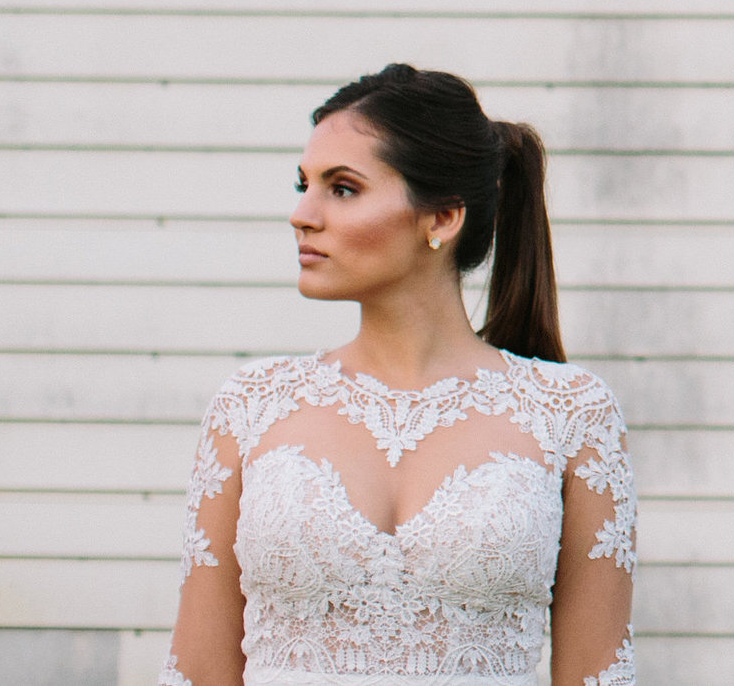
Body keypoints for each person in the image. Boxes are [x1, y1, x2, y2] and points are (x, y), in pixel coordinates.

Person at [160, 64, 636, 686]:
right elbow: (197, 672)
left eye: (343, 188)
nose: (302, 215)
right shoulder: (253, 406)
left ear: (442, 218)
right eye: (303, 185)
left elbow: (598, 677)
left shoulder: (570, 411)